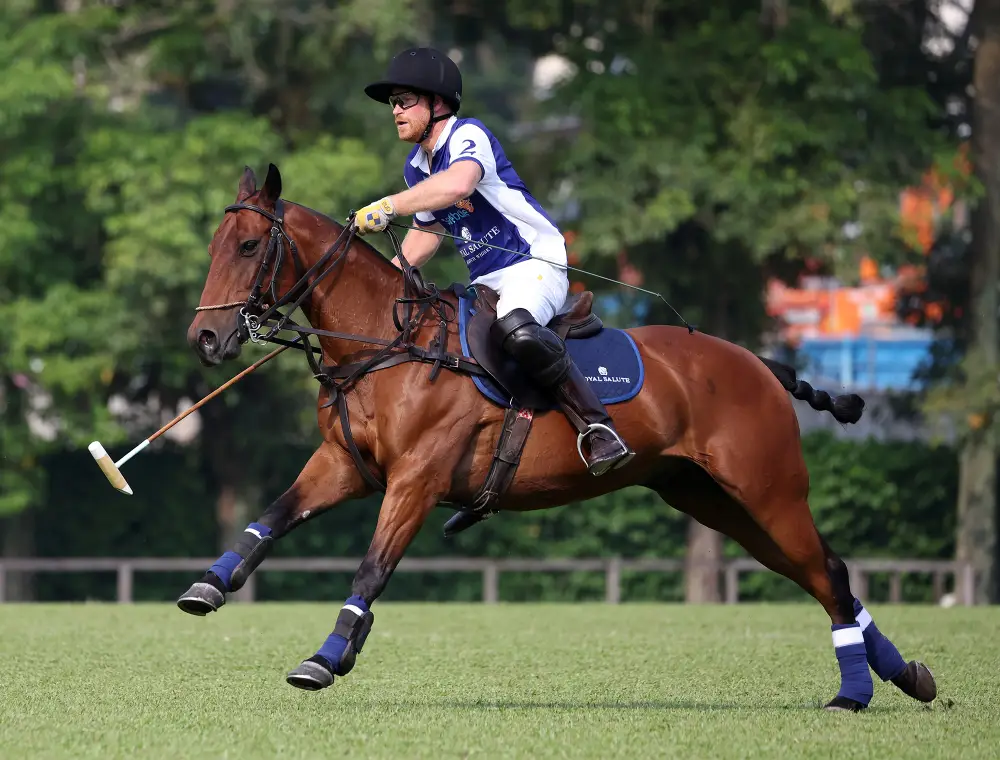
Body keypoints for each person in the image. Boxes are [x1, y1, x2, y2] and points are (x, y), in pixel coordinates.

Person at [355, 46, 633, 477]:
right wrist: (376, 284)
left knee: (516, 328)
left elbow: (458, 183)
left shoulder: (469, 135)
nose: (395, 111)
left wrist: (389, 205)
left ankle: (598, 428)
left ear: (438, 103)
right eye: (393, 103)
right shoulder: (417, 167)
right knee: (454, 351)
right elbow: (426, 237)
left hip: (534, 263)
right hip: (487, 282)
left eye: (405, 100)